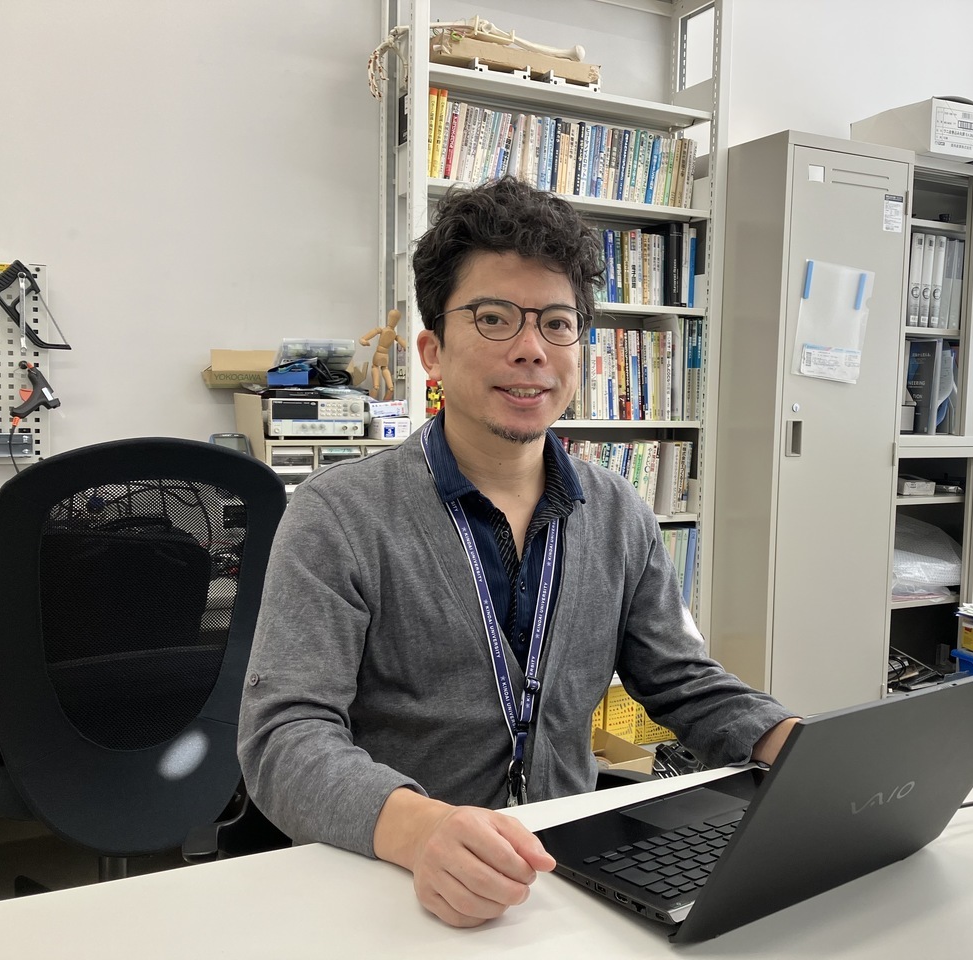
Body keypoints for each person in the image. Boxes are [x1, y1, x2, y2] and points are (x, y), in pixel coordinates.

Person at [238, 176, 798, 929]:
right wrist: (421, 830)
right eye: (494, 319)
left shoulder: (619, 513)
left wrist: (798, 746)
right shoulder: (337, 516)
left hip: (563, 883)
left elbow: (682, 682)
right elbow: (284, 737)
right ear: (433, 352)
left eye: (557, 324)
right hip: (390, 883)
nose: (532, 350)